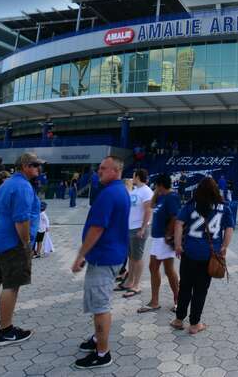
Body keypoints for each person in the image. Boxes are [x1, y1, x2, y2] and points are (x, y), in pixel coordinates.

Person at [0, 153, 42, 345]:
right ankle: (6, 331)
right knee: (11, 286)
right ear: (25, 165)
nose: (39, 169)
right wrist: (26, 242)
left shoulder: (7, 184)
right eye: (36, 165)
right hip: (12, 242)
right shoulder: (22, 186)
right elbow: (21, 218)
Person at [72, 156, 130, 369]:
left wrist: (80, 256)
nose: (99, 172)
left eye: (103, 169)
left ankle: (102, 354)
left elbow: (97, 228)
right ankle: (97, 340)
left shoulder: (108, 194)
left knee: (100, 306)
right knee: (99, 303)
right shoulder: (120, 190)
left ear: (115, 171)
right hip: (111, 255)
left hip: (104, 257)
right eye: (99, 169)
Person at [170, 177, 234, 334]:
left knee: (185, 286)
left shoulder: (191, 205)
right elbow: (229, 228)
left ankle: (179, 320)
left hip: (189, 252)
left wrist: (178, 245)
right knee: (200, 290)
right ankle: (194, 324)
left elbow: (178, 223)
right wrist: (224, 246)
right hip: (210, 255)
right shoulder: (224, 207)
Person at [137, 174, 180, 314]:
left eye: (157, 185)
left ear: (161, 185)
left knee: (161, 268)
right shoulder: (161, 196)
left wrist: (168, 233)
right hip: (158, 238)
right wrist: (157, 191)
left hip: (164, 239)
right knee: (160, 268)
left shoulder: (172, 197)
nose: (155, 188)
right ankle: (163, 300)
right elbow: (152, 205)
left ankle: (173, 300)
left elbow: (175, 216)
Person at [118, 169, 152, 297]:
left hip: (138, 228)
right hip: (130, 228)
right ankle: (129, 281)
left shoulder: (146, 191)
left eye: (133, 176)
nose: (132, 179)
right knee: (132, 257)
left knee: (137, 257)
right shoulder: (135, 190)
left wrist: (143, 228)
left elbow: (148, 211)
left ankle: (137, 285)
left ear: (137, 177)